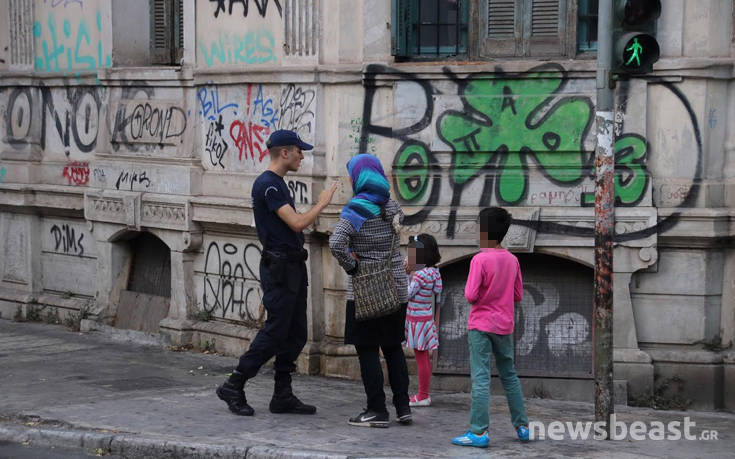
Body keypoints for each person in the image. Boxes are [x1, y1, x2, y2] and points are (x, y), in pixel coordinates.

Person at [216, 129, 338, 416]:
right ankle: (235, 384)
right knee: (275, 331)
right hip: (280, 268)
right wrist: (322, 203)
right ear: (285, 152)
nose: (302, 156)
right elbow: (296, 223)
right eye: (299, 150)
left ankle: (282, 394)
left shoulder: (278, 184)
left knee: (296, 334)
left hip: (292, 265)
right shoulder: (268, 185)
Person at [329, 154, 411, 428]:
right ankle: (402, 407)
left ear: (358, 178)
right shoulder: (392, 207)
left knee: (367, 349)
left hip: (367, 289)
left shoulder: (356, 209)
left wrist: (351, 266)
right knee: (393, 348)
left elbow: (337, 243)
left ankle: (376, 409)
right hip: (396, 286)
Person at [451, 207, 530, 448]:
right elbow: (517, 295)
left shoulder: (479, 259)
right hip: (504, 326)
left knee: (481, 378)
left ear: (484, 231)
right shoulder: (513, 260)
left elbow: (470, 295)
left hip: (481, 326)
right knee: (510, 375)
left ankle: (479, 432)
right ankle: (523, 426)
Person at [404, 234, 443, 407]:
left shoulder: (419, 275)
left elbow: (407, 294)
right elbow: (437, 290)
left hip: (417, 321)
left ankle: (423, 395)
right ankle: (424, 393)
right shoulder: (434, 272)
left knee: (421, 358)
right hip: (426, 319)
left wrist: (406, 276)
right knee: (425, 358)